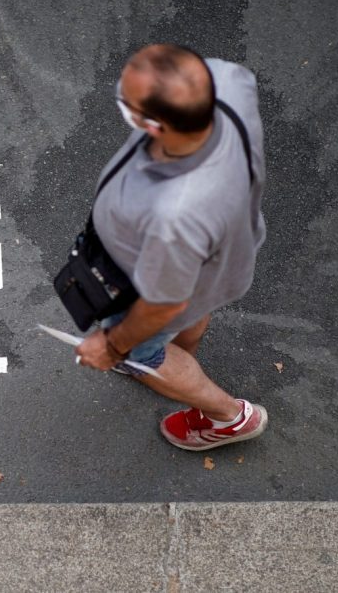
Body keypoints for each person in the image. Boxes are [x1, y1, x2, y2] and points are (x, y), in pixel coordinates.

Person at [73, 43, 268, 451]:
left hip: (161, 283)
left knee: (144, 349)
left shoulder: (173, 216)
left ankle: (229, 417)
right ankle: (176, 349)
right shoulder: (228, 81)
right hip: (218, 260)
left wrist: (113, 346)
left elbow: (163, 304)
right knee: (191, 311)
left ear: (156, 125)